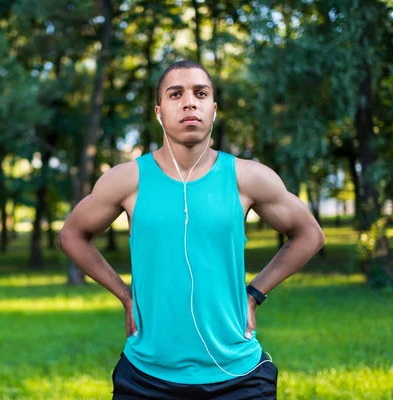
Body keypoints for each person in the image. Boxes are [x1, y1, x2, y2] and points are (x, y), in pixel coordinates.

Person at [58, 60, 325, 399]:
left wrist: (254, 294)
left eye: (200, 93)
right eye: (175, 94)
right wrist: (126, 295)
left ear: (213, 109)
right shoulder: (127, 179)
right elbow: (72, 235)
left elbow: (310, 235)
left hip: (238, 375)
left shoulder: (247, 177)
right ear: (159, 111)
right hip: (146, 377)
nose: (189, 102)